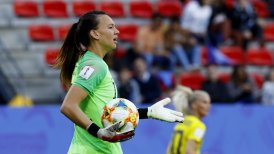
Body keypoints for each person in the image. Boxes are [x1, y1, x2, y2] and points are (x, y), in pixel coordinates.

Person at [54, 10, 184, 154]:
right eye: (110, 27)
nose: (117, 31)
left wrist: (148, 112)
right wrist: (98, 132)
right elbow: (68, 106)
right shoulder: (95, 65)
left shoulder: (90, 62)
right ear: (95, 34)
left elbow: (106, 113)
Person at [167, 86, 211, 154]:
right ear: (194, 105)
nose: (209, 106)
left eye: (209, 103)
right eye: (204, 102)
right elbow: (189, 151)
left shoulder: (180, 123)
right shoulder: (198, 126)